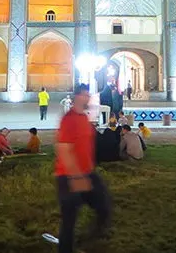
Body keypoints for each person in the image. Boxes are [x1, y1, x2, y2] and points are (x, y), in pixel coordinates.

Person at [54, 84, 111, 253]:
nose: (87, 98)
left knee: (104, 206)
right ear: (76, 97)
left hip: (88, 173)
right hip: (68, 177)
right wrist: (77, 177)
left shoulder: (84, 119)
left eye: (88, 95)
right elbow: (63, 149)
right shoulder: (68, 120)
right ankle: (66, 249)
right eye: (84, 95)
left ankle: (91, 239)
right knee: (69, 220)